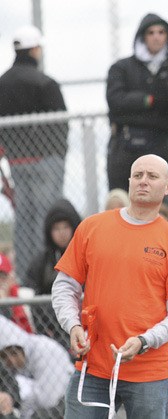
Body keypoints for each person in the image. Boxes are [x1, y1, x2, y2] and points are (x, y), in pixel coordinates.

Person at [51, 154, 168, 419]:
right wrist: (72, 325)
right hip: (93, 367)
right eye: (138, 175)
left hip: (150, 373)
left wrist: (145, 341)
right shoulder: (92, 228)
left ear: (167, 187)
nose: (143, 181)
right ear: (129, 181)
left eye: (152, 176)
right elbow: (65, 286)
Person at [0, 25, 69, 281]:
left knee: (24, 222)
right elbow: (61, 123)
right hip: (46, 161)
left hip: (16, 162)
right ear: (35, 49)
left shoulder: (2, 84)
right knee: (47, 220)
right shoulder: (45, 82)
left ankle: (26, 280)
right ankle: (48, 277)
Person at [106, 13, 168, 192]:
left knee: (156, 199)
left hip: (159, 144)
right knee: (120, 198)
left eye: (161, 32)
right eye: (151, 32)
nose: (156, 36)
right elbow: (116, 101)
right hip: (124, 146)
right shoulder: (121, 67)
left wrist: (134, 105)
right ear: (142, 36)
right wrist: (151, 100)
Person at [24, 199, 81, 348]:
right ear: (49, 231)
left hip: (82, 326)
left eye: (66, 227)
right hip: (49, 332)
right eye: (56, 228)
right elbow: (31, 294)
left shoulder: (85, 255)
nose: (62, 233)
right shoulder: (41, 262)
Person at [0, 314, 74, 418]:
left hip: (63, 402)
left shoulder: (45, 351)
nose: (11, 360)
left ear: (23, 348)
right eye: (4, 356)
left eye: (14, 353)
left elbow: (50, 399)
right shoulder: (12, 368)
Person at [0, 254, 33, 334]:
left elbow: (26, 333)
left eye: (2, 276)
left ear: (11, 278)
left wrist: (5, 303)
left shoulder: (24, 296)